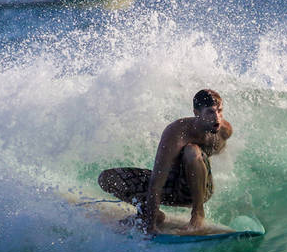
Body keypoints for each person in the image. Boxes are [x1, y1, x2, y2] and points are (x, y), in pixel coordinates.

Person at [98, 89, 233, 234]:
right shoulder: (177, 133)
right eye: (210, 112)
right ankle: (150, 213)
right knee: (107, 178)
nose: (217, 118)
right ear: (196, 113)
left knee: (192, 151)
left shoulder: (224, 130)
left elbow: (216, 154)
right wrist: (150, 225)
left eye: (219, 111)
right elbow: (157, 182)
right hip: (171, 188)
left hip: (199, 190)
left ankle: (198, 215)